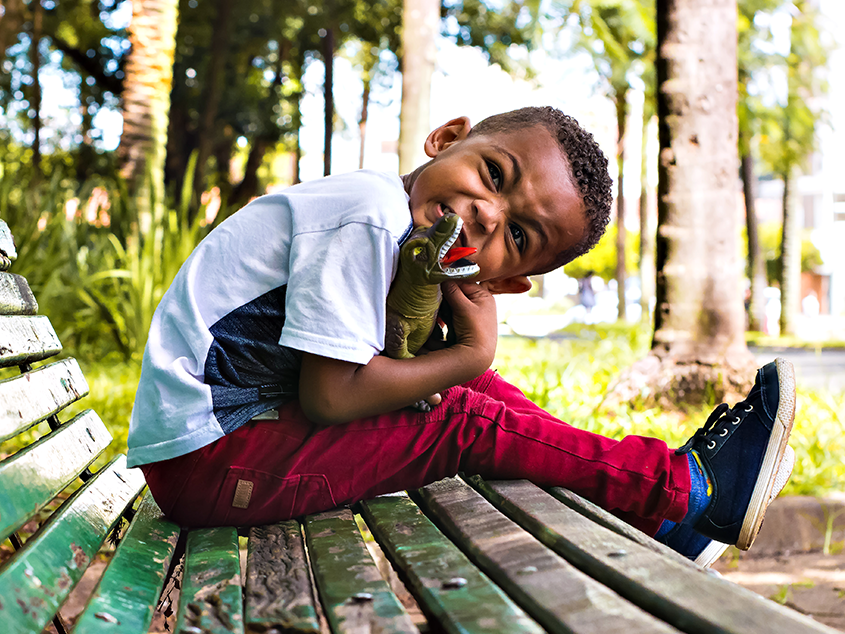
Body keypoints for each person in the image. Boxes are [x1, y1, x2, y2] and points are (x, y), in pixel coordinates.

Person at [126, 106, 796, 568]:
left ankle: (654, 518)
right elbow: (331, 397)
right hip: (209, 461)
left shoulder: (391, 224)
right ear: (446, 139)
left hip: (221, 449)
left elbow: (371, 374)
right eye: (495, 176)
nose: (484, 213)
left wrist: (466, 362)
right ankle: (684, 488)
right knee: (465, 416)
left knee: (474, 387)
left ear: (504, 285)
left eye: (517, 236)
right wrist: (471, 352)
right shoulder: (367, 216)